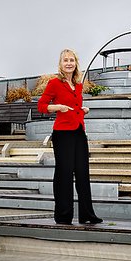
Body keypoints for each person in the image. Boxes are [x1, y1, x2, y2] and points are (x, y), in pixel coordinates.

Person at [37, 48, 102, 226]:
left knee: (82, 173)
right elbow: (42, 106)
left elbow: (74, 107)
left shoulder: (78, 84)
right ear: (61, 63)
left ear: (76, 63)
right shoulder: (54, 83)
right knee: (64, 174)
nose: (69, 63)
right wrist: (58, 107)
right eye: (65, 60)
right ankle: (63, 216)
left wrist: (83, 110)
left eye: (71, 60)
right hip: (62, 134)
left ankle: (87, 214)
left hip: (79, 131)